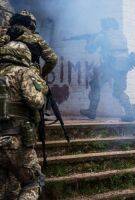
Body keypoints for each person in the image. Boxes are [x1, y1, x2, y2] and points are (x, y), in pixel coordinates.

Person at [0, 40, 47, 200]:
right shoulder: (23, 72)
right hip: (16, 141)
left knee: (6, 188)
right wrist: (41, 90)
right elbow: (35, 101)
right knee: (33, 183)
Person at [80, 18, 135, 122]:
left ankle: (92, 111)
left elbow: (90, 49)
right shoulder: (121, 35)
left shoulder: (103, 35)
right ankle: (130, 113)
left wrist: (90, 40)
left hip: (110, 65)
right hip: (124, 65)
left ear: (105, 25)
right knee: (119, 90)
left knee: (95, 85)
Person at [5, 10, 58, 78]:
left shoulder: (3, 33)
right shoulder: (35, 38)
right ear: (31, 24)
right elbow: (52, 59)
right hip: (26, 78)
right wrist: (41, 75)